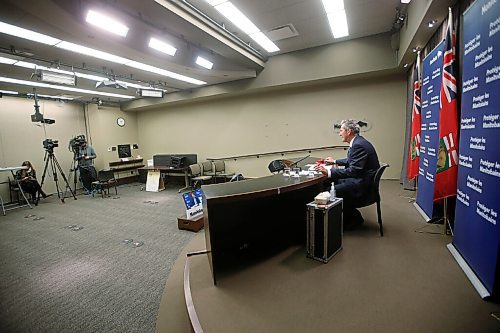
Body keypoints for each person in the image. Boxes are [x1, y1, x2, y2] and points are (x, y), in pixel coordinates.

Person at [315, 119, 380, 230]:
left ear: (348, 131)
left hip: (361, 186)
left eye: (341, 131)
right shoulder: (359, 141)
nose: (339, 133)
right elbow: (352, 160)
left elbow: (353, 170)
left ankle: (353, 219)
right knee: (331, 182)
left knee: (329, 190)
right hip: (361, 180)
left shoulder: (357, 145)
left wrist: (329, 172)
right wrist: (335, 162)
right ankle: (350, 216)